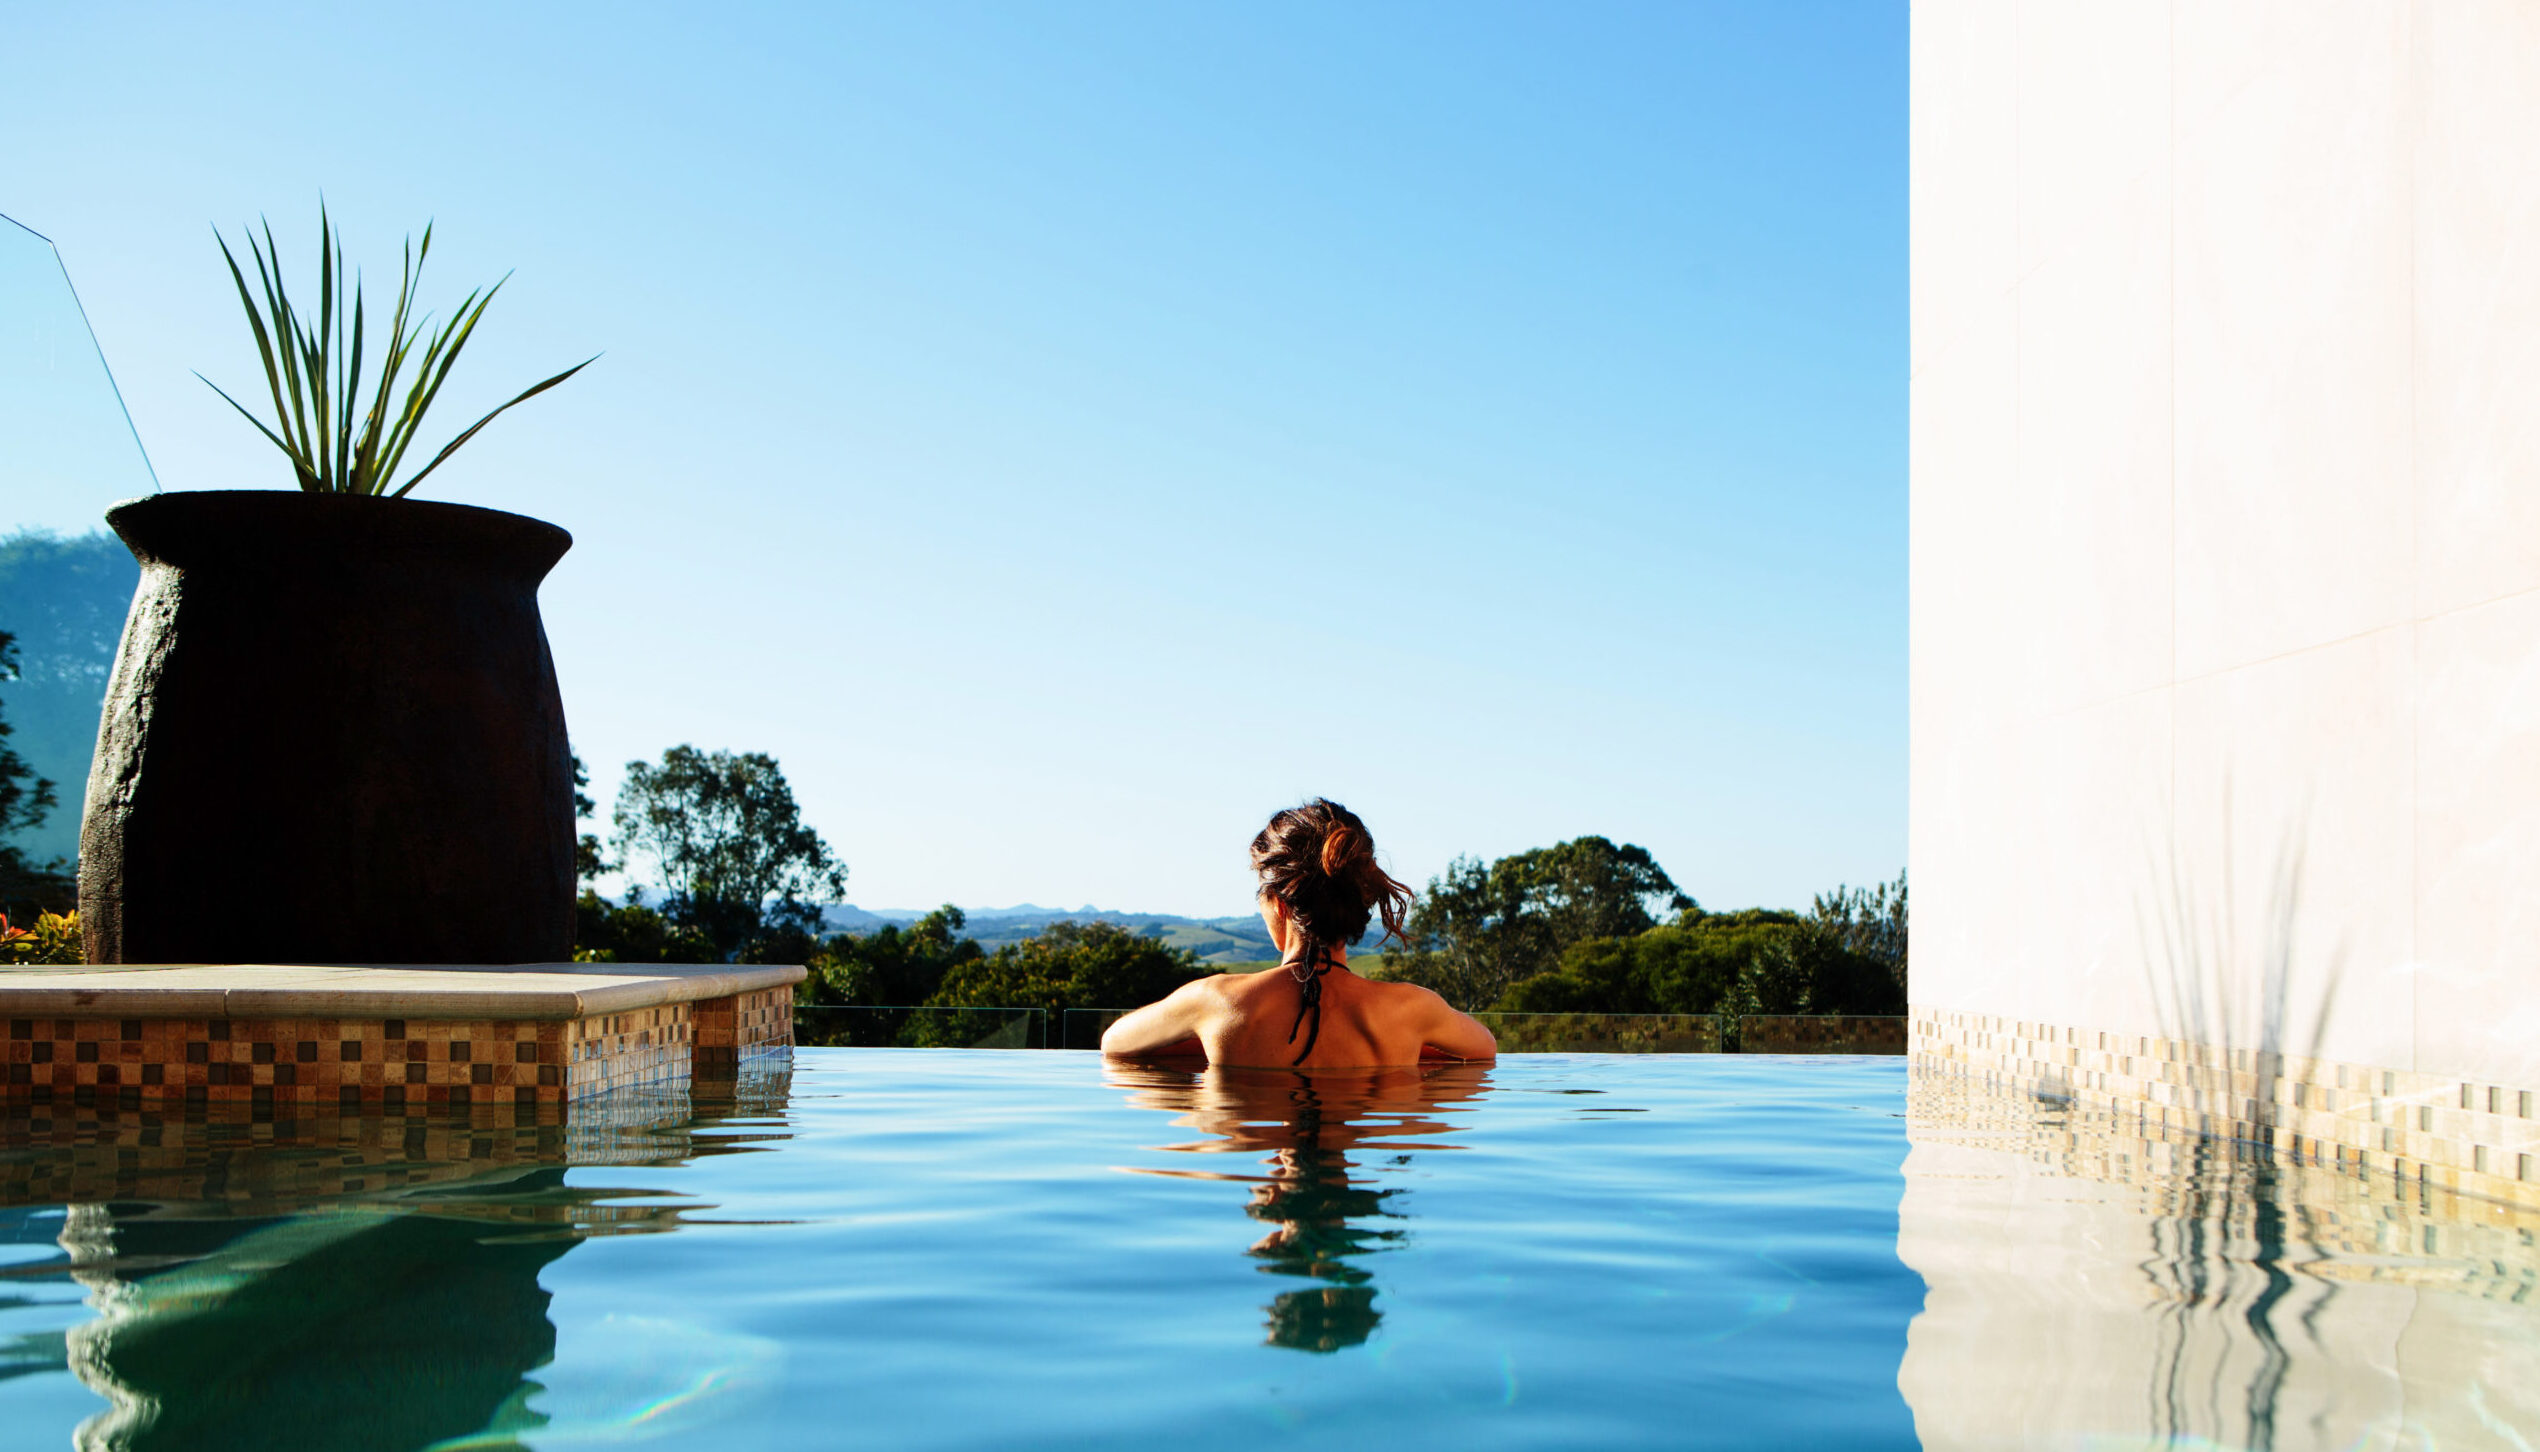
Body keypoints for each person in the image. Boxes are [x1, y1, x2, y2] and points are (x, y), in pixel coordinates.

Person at [1100, 799, 1498, 1067]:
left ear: (1278, 903)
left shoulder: (1216, 1004)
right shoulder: (1412, 1011)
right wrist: (1412, 1051)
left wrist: (1205, 1043)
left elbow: (1114, 1044)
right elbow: (1485, 1050)